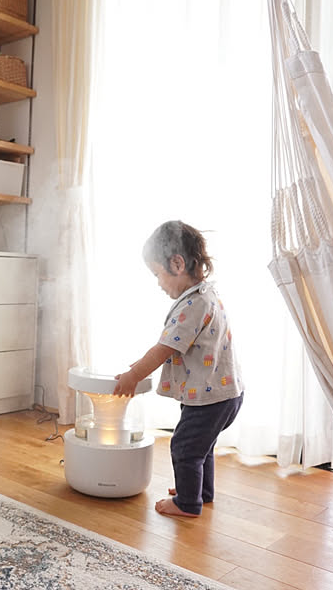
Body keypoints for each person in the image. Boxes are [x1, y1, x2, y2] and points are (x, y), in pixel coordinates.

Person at [113, 220, 244, 517]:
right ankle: (200, 491)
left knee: (184, 448)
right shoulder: (206, 296)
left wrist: (134, 375)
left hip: (210, 398)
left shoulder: (193, 306)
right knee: (202, 448)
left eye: (158, 273)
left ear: (177, 263)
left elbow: (165, 348)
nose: (158, 283)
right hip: (224, 393)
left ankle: (188, 502)